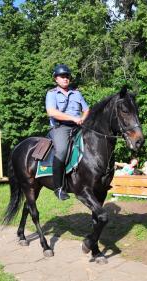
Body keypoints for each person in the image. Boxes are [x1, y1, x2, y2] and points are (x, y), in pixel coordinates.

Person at [46, 64, 90, 200]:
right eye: (62, 76)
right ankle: (58, 188)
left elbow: (87, 109)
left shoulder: (76, 93)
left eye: (67, 76)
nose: (65, 78)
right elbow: (51, 112)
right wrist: (73, 118)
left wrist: (82, 118)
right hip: (61, 128)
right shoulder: (52, 94)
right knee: (62, 150)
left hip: (79, 127)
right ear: (56, 79)